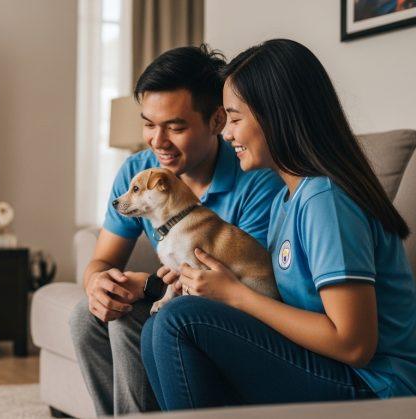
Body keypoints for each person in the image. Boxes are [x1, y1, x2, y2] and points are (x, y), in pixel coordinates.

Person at [141, 39, 416, 411]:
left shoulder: (326, 201)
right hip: (327, 366)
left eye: (235, 119)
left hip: (374, 386)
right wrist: (222, 285)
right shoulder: (287, 201)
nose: (226, 133)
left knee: (178, 320)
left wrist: (237, 296)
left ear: (277, 116)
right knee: (155, 325)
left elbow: (354, 344)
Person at [68, 45, 283, 416]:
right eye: (149, 124)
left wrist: (150, 287)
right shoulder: (139, 171)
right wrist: (97, 284)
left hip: (224, 318)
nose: (158, 142)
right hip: (183, 298)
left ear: (217, 121)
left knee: (127, 319)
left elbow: (237, 292)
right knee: (84, 317)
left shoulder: (255, 179)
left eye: (176, 127)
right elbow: (102, 259)